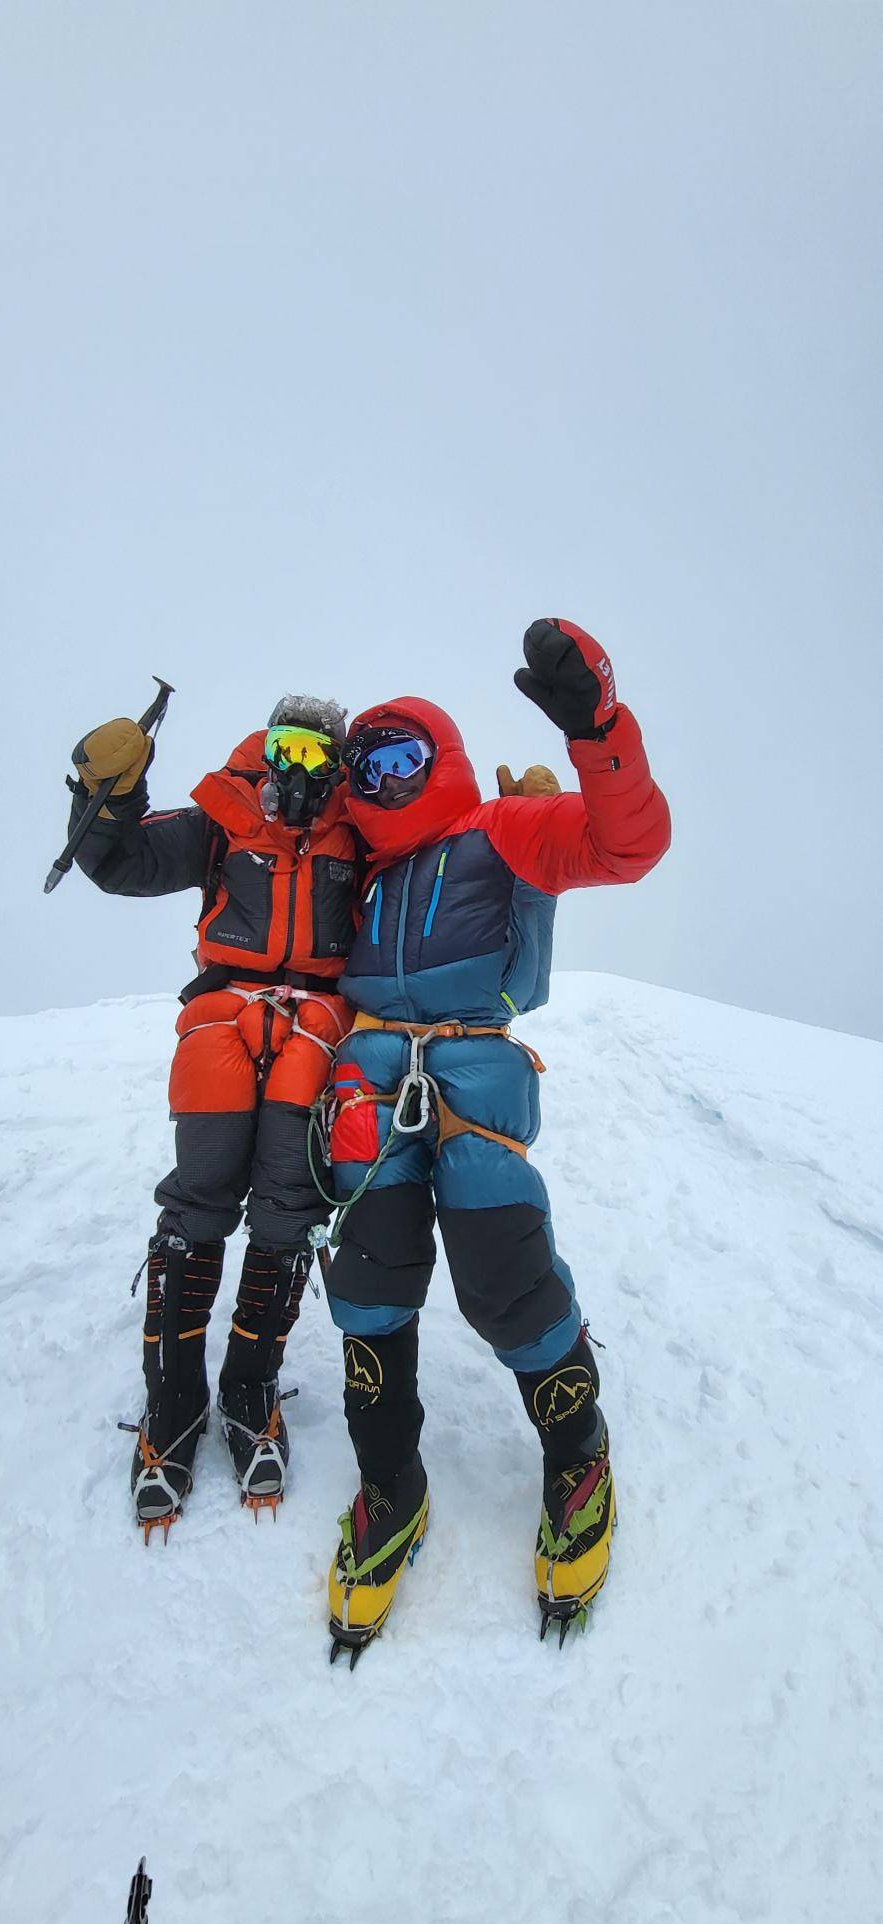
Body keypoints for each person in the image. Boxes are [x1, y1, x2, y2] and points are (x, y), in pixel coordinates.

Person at [320, 619, 671, 1656]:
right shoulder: (356, 866)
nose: (381, 782)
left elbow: (626, 843)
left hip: (471, 1069)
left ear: (444, 761)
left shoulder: (499, 828)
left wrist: (597, 729)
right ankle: (393, 1481)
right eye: (365, 766)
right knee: (370, 1284)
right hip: (368, 1080)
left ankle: (578, 1449)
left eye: (402, 761)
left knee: (500, 1273)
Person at [67, 695, 359, 1537]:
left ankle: (249, 1384)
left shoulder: (358, 834)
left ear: (337, 763)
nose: (297, 767)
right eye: (285, 747)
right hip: (221, 1020)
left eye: (315, 752)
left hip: (314, 1028)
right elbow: (119, 862)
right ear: (265, 749)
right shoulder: (221, 821)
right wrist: (108, 794)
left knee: (285, 1212)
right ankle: (175, 1397)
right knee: (198, 1205)